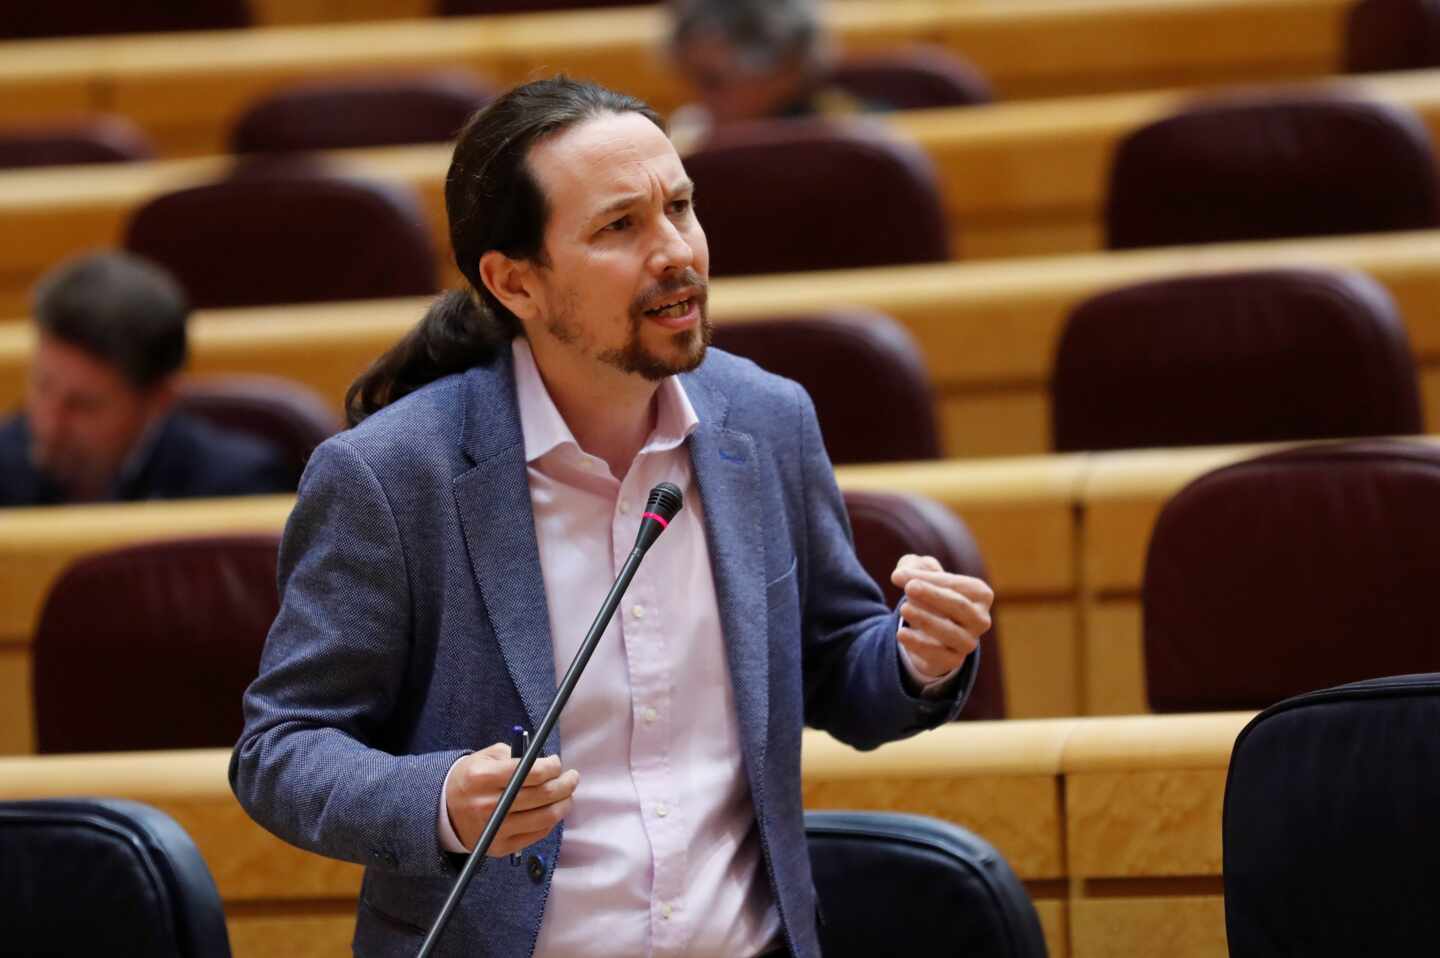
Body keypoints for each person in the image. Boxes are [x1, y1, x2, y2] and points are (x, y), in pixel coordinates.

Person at [230, 76, 992, 958]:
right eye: (619, 227)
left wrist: (912, 658)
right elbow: (283, 749)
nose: (676, 252)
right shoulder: (394, 478)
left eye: (681, 207)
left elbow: (830, 662)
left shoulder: (767, 421)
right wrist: (439, 801)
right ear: (515, 282)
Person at [0, 251, 296, 506]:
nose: (51, 425)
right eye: (42, 386)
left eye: (84, 405)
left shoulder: (237, 490)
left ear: (158, 399)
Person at [665, 0, 865, 149]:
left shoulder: (851, 137)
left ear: (786, 68)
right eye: (690, 79)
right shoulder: (693, 132)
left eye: (712, 82)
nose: (701, 98)